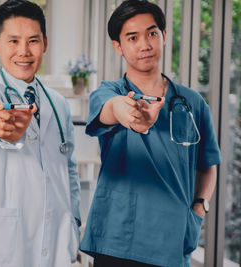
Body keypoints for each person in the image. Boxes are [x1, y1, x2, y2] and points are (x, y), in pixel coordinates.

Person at [79, 1, 222, 266]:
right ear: (118, 47)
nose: (144, 44)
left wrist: (200, 206)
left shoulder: (193, 102)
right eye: (132, 38)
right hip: (117, 239)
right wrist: (134, 117)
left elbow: (208, 164)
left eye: (152, 33)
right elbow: (113, 110)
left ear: (164, 36)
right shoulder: (109, 93)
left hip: (173, 238)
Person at [0, 1, 81, 266]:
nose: (23, 52)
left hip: (56, 243)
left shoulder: (58, 104)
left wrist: (74, 222)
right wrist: (2, 126)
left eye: (33, 41)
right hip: (2, 248)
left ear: (45, 44)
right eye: (13, 41)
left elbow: (69, 169)